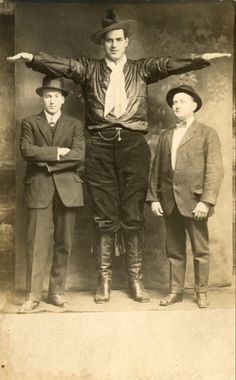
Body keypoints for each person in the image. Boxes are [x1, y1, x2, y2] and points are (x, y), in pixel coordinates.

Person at [8, 9, 230, 304]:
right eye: (108, 40)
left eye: (118, 39)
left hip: (133, 146)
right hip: (98, 145)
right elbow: (64, 65)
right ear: (103, 43)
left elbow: (168, 64)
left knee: (132, 215)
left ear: (127, 41)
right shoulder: (89, 69)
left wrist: (200, 59)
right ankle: (105, 283)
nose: (113, 44)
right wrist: (33, 59)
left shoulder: (141, 69)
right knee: (104, 217)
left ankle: (136, 281)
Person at [147, 85, 224, 308]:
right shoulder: (165, 135)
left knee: (200, 250)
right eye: (174, 103)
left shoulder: (207, 133)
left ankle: (201, 292)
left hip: (195, 202)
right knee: (174, 250)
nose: (177, 105)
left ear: (194, 105)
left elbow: (214, 169)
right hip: (169, 202)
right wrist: (153, 198)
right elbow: (156, 169)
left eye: (182, 101)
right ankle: (175, 291)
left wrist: (206, 201)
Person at [18, 76, 85, 313]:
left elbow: (78, 155)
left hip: (68, 190)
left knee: (63, 242)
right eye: (48, 95)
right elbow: (27, 150)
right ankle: (33, 295)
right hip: (39, 188)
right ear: (42, 98)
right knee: (36, 243)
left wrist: (47, 162)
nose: (52, 100)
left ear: (63, 99)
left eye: (56, 95)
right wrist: (57, 152)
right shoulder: (29, 122)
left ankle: (56, 292)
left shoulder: (75, 125)